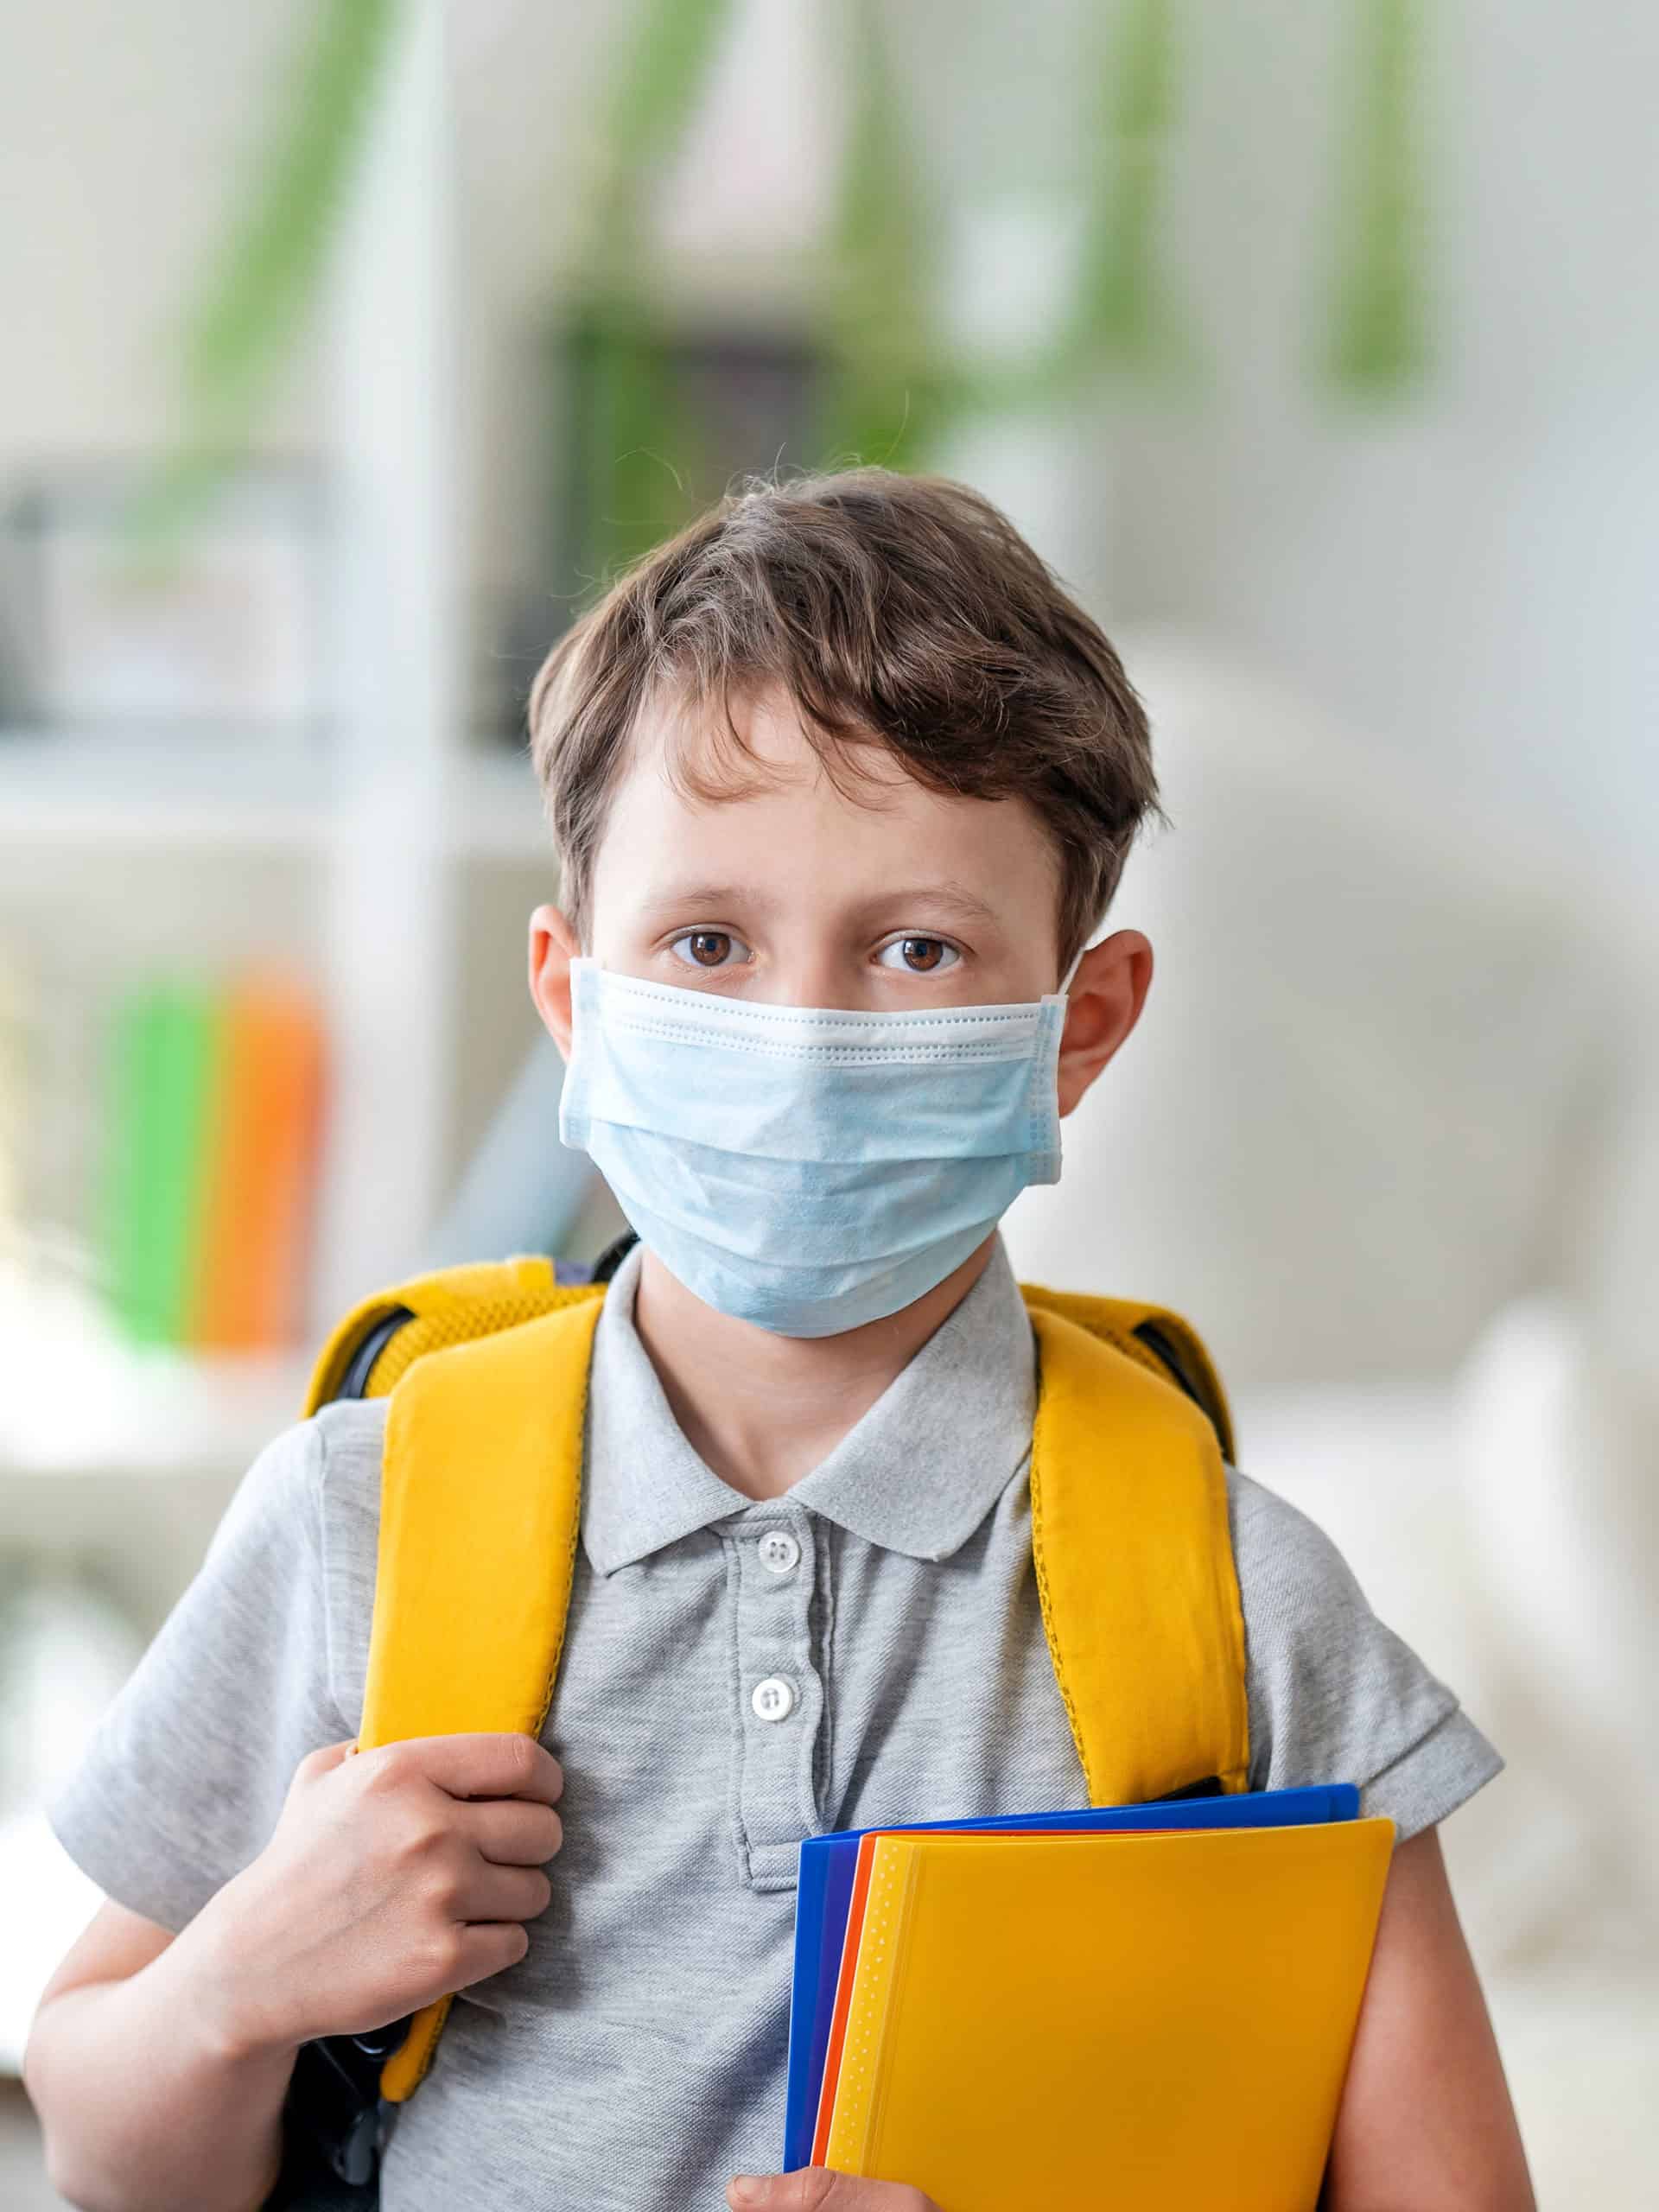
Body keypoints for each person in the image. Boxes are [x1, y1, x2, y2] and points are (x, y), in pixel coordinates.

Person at [23, 469, 1535, 2211]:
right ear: (575, 993)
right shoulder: (362, 1514)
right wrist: (233, 1986)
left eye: (915, 945)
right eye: (710, 940)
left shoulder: (1245, 1600)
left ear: (1082, 1022)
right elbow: (108, 2147)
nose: (803, 1035)